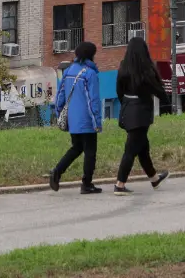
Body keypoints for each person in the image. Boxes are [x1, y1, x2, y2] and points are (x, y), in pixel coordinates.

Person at [113, 35, 171, 194]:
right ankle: (120, 184)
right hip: (142, 113)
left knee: (142, 148)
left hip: (127, 109)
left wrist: (126, 104)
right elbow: (158, 89)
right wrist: (167, 102)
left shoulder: (123, 67)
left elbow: (119, 91)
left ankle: (154, 179)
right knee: (131, 149)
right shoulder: (146, 68)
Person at [49, 41, 103, 194]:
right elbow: (93, 100)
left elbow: (60, 95)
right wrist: (97, 122)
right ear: (91, 55)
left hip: (72, 119)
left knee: (77, 147)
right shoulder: (90, 74)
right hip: (87, 120)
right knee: (90, 151)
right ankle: (86, 184)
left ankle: (57, 171)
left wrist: (59, 112)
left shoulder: (70, 71)